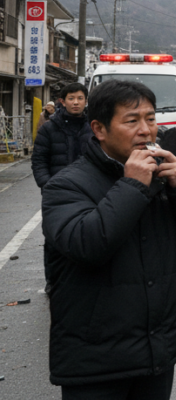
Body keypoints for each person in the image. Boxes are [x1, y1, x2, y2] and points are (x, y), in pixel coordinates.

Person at [40, 80, 176, 398]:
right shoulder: (66, 185)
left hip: (157, 351)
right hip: (96, 362)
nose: (146, 130)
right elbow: (88, 246)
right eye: (132, 120)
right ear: (99, 129)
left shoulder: (162, 176)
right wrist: (133, 185)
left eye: (150, 119)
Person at [32, 83, 94, 296]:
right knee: (54, 240)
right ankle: (54, 281)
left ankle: (87, 281)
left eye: (79, 98)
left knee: (89, 235)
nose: (75, 102)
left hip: (89, 192)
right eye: (71, 98)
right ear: (62, 101)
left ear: (86, 101)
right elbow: (39, 160)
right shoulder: (49, 128)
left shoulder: (94, 128)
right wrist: (47, 185)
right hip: (56, 194)